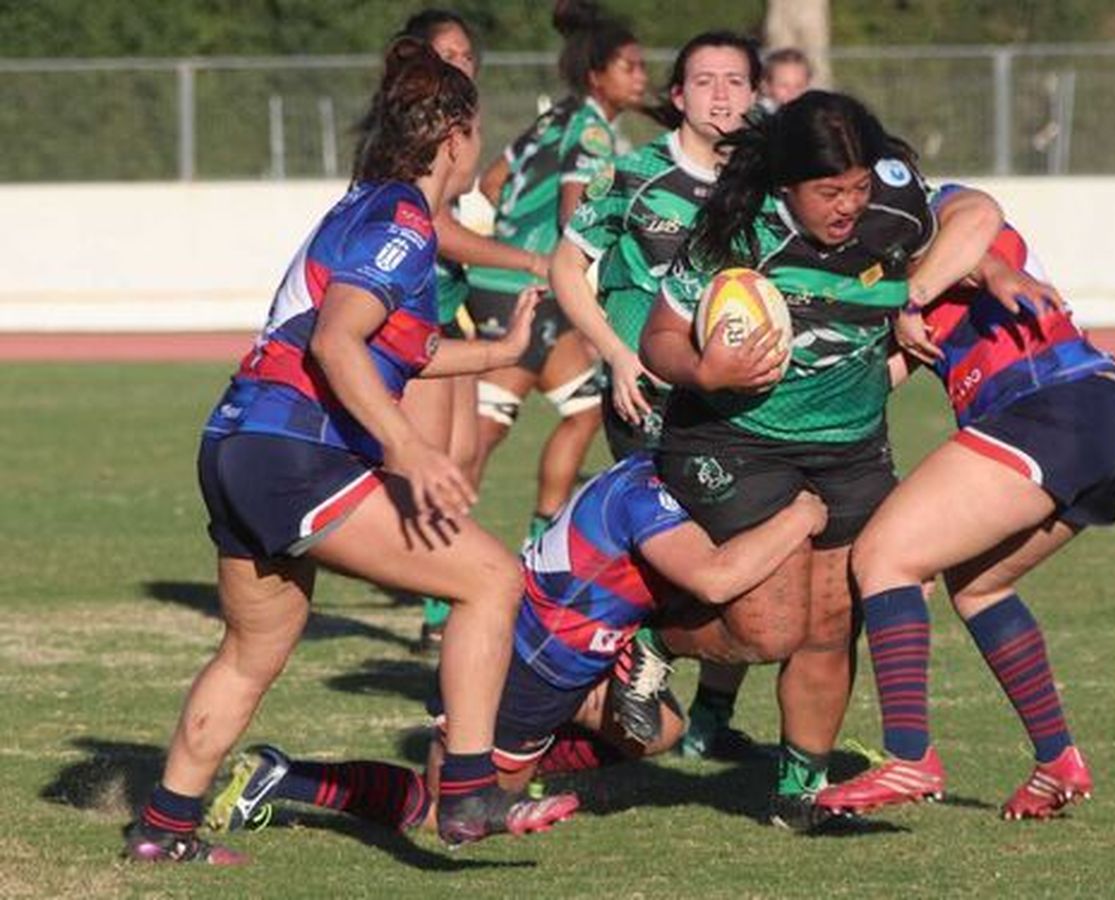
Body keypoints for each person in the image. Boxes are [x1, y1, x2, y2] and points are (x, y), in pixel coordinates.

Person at [125, 39, 545, 865]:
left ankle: (162, 830)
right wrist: (411, 449)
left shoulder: (368, 205)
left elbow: (400, 347)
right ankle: (467, 791)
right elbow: (339, 340)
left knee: (252, 653)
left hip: (238, 444)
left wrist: (501, 351)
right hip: (294, 450)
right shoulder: (401, 223)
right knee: (493, 580)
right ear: (455, 135)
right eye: (477, 135)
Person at [633, 90, 1007, 830]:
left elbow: (980, 214)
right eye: (829, 192)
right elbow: (658, 342)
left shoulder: (892, 214)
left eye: (859, 187)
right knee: (769, 628)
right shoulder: (735, 235)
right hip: (731, 438)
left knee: (833, 623)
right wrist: (708, 373)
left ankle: (798, 794)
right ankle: (645, 639)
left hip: (850, 446)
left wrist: (963, 279)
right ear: (785, 188)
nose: (847, 206)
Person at [207, 455, 827, 839]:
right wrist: (802, 516)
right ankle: (282, 777)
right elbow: (718, 577)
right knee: (446, 819)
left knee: (660, 730)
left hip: (569, 663)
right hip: (527, 669)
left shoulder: (643, 475)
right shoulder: (645, 498)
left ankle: (513, 768)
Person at [815, 200, 1115, 820]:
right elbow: (883, 373)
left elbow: (973, 237)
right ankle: (1056, 760)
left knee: (886, 556)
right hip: (1104, 422)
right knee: (980, 586)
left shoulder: (929, 223)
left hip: (1049, 406)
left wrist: (950, 286)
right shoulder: (890, 273)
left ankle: (909, 756)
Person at [553, 30, 767, 760]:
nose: (721, 95)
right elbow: (564, 266)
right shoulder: (635, 173)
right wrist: (613, 354)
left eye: (735, 81)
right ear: (677, 97)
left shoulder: (768, 181)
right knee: (695, 549)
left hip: (735, 399)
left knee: (750, 551)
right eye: (704, 80)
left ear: (755, 93)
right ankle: (626, 658)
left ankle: (705, 713)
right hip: (646, 396)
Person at [368, 10, 550, 655]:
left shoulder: (454, 132)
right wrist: (529, 258)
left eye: (468, 54)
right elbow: (434, 227)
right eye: (449, 54)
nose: (463, 64)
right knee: (429, 461)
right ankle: (436, 601)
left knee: (464, 458)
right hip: (413, 326)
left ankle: (442, 589)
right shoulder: (409, 145)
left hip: (450, 314)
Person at [464, 0, 648, 550]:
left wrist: (511, 240)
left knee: (586, 407)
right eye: (630, 67)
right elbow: (576, 218)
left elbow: (493, 183)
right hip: (527, 292)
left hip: (511, 283)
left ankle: (537, 547)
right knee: (481, 436)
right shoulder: (592, 133)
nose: (642, 77)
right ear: (598, 76)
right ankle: (435, 595)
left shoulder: (553, 117)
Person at [758, 47, 812, 114]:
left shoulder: (811, 112)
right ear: (765, 87)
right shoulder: (760, 114)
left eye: (799, 86)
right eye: (784, 86)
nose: (792, 92)